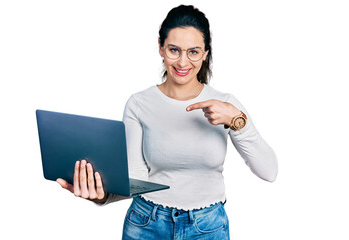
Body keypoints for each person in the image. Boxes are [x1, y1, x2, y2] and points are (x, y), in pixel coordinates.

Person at [56, 4, 278, 240]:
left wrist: (237, 121)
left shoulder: (226, 104)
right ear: (160, 48)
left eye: (193, 52)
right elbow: (137, 177)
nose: (183, 62)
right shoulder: (139, 103)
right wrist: (100, 196)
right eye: (174, 50)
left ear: (205, 53)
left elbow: (269, 171)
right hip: (146, 223)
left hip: (208, 227)